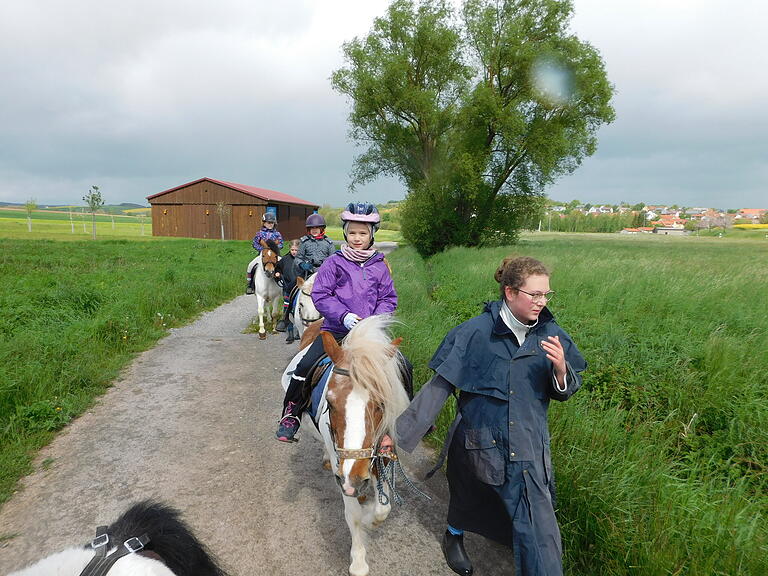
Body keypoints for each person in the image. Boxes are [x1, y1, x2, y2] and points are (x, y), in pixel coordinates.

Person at [390, 255, 586, 576]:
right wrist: (396, 437)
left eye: (546, 294)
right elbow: (439, 388)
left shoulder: (551, 334)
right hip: (476, 441)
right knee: (467, 496)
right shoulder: (474, 333)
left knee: (541, 535)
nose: (542, 302)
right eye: (534, 294)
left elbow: (564, 390)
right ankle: (453, 535)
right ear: (509, 292)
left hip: (527, 447)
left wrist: (562, 370)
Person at [276, 202, 397, 442]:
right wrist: (344, 316)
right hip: (336, 329)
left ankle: (404, 421)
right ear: (344, 233)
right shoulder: (334, 262)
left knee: (404, 367)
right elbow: (321, 295)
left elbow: (388, 299)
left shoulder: (379, 266)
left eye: (363, 233)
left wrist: (374, 321)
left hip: (369, 335)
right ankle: (291, 414)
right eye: (352, 232)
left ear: (372, 234)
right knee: (304, 366)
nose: (357, 238)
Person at [245, 212, 284, 295]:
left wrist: (274, 249)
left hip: (274, 255)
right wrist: (263, 250)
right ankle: (250, 285)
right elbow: (254, 243)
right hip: (262, 255)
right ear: (264, 223)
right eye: (268, 223)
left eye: (272, 223)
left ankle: (284, 285)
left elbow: (281, 244)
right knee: (251, 265)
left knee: (284, 266)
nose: (270, 224)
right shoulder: (259, 234)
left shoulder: (277, 234)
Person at [294, 213, 336, 278]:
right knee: (292, 286)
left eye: (317, 228)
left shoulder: (328, 243)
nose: (314, 230)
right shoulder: (304, 242)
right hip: (308, 272)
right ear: (309, 229)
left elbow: (333, 260)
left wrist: (328, 266)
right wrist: (301, 264)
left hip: (324, 273)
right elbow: (298, 258)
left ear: (321, 229)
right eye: (312, 228)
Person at [274, 239, 300, 342]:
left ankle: (299, 331)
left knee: (298, 310)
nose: (294, 252)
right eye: (292, 249)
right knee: (288, 310)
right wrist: (277, 274)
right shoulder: (284, 259)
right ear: (289, 249)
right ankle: (290, 333)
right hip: (287, 288)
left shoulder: (302, 260)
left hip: (298, 289)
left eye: (296, 250)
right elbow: (278, 268)